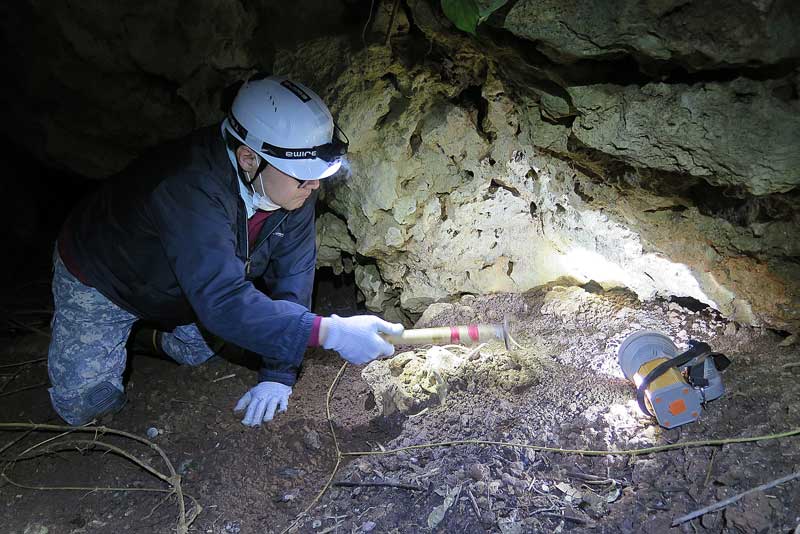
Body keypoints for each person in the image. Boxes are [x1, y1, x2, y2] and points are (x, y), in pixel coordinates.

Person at [48, 74, 404, 427]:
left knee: (203, 351)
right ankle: (119, 332)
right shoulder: (187, 186)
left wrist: (278, 374)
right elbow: (222, 301)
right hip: (106, 278)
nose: (314, 186)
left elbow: (293, 276)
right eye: (303, 177)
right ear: (249, 158)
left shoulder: (292, 187)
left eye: (319, 175)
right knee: (86, 407)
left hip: (186, 286)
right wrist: (331, 332)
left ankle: (147, 337)